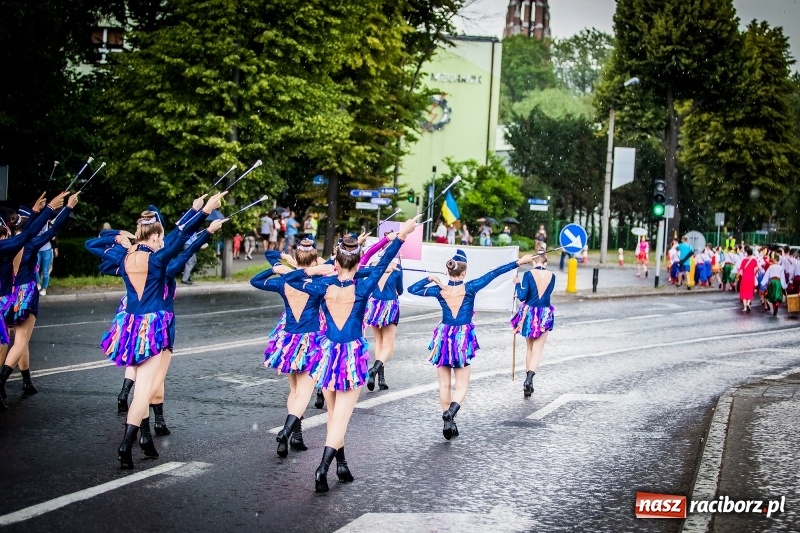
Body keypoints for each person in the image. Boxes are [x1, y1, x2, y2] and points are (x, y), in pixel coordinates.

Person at [286, 215, 420, 492]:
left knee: (335, 416)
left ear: (336, 262)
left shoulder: (322, 286)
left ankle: (341, 464)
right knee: (340, 419)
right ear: (359, 263)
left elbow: (295, 278)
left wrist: (312, 271)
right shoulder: (363, 285)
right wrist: (403, 235)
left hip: (326, 354)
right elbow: (382, 264)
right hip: (348, 359)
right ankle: (322, 468)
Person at [102, 193, 224, 469]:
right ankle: (128, 443)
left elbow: (94, 243)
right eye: (159, 237)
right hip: (155, 328)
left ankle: (139, 439)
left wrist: (119, 238)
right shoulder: (159, 262)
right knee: (146, 389)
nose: (162, 241)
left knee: (143, 387)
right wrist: (205, 220)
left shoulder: (125, 258)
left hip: (130, 328)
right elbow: (182, 241)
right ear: (155, 236)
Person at [408, 249, 533, 440]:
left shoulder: (439, 290)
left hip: (442, 338)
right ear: (464, 273)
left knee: (444, 384)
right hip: (461, 339)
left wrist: (431, 279)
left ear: (448, 271)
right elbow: (495, 273)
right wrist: (519, 262)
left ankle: (448, 420)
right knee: (462, 385)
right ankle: (451, 413)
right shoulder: (471, 287)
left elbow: (412, 290)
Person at [251, 239, 333, 458]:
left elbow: (256, 280)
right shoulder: (317, 285)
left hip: (288, 341)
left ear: (296, 259)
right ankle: (286, 432)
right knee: (304, 394)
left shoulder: (283, 282)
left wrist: (279, 267)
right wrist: (312, 269)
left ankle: (296, 436)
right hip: (311, 341)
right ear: (315, 260)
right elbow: (337, 266)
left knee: (295, 392)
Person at [0, 194, 79, 399]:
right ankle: (1, 381)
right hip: (26, 294)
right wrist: (67, 209)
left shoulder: (11, 244)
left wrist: (36, 211)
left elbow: (28, 231)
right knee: (20, 342)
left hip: (10, 297)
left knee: (20, 340)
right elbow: (53, 230)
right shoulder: (31, 244)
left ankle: (27, 381)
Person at [512, 244, 555, 397]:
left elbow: (523, 296)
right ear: (546, 262)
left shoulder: (529, 274)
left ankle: (526, 381)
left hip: (529, 314)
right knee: (538, 350)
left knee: (530, 348)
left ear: (533, 261)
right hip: (544, 314)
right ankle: (530, 379)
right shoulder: (552, 276)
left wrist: (517, 283)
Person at [36, 222, 55, 296]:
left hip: (47, 250)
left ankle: (44, 288)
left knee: (45, 271)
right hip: (37, 249)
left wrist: (50, 234)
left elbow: (53, 237)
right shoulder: (36, 223)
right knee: (35, 268)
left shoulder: (49, 224)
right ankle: (37, 284)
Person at [736, 246, 758, 312]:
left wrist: (737, 276)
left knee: (744, 291)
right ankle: (748, 303)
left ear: (746, 253)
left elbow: (740, 270)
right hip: (751, 277)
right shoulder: (754, 260)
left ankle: (745, 307)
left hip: (744, 277)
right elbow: (756, 269)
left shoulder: (744, 260)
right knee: (750, 291)